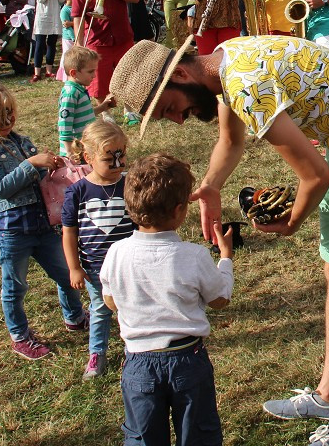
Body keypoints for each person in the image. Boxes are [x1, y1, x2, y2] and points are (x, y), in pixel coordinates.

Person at [108, 35, 329, 446]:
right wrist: (211, 187)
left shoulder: (245, 84)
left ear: (181, 74)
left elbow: (315, 176)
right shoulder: (223, 61)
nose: (179, 120)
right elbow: (231, 141)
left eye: (170, 109)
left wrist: (290, 223)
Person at [100, 153, 234, 445]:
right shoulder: (194, 255)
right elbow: (219, 299)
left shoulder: (116, 253)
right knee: (199, 433)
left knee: (142, 435)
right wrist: (225, 259)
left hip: (137, 362)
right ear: (179, 210)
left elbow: (110, 301)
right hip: (188, 359)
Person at [0, 78, 89, 359]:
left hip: (43, 224)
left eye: (10, 112)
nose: (8, 120)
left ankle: (74, 316)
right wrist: (30, 164)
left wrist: (50, 165)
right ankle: (20, 336)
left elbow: (41, 180)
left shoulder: (21, 142)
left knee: (66, 273)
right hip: (13, 231)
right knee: (15, 285)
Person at [61, 120, 136, 379]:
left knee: (129, 307)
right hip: (95, 268)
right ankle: (97, 353)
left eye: (122, 156)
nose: (118, 164)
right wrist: (74, 267)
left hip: (128, 265)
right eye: (109, 158)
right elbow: (69, 231)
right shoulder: (77, 191)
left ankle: (134, 350)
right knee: (100, 309)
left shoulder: (129, 185)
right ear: (88, 157)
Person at [70, 0, 138, 99]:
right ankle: (105, 112)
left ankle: (129, 110)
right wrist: (79, 44)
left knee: (128, 76)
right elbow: (78, 15)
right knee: (99, 81)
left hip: (122, 37)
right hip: (97, 40)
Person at [57, 46, 116, 159]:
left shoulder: (79, 89)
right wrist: (70, 151)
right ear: (74, 73)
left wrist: (102, 107)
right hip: (76, 153)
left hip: (86, 148)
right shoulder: (71, 93)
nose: (94, 75)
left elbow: (83, 114)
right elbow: (64, 124)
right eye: (90, 71)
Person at [31, 0, 63, 82]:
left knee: (52, 44)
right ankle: (37, 72)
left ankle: (49, 71)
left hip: (55, 15)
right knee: (39, 44)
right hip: (43, 17)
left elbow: (61, 0)